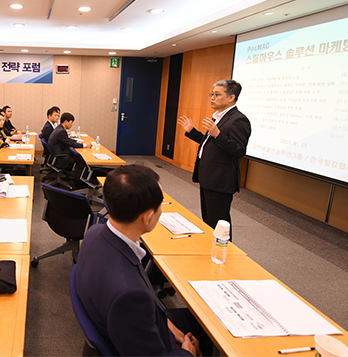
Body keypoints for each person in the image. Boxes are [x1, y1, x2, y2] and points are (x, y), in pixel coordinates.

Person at [76, 164, 209, 357]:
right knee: (210, 327)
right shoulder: (129, 296)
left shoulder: (95, 232)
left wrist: (169, 326)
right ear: (147, 217)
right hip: (133, 337)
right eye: (160, 206)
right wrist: (187, 353)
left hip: (130, 324)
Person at [177, 79, 251, 235]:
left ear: (231, 97)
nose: (212, 98)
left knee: (219, 222)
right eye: (212, 94)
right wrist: (192, 131)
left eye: (217, 94)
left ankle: (224, 254)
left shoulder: (238, 120)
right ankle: (209, 251)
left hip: (221, 180)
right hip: (209, 177)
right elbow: (209, 143)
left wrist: (218, 134)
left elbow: (239, 150)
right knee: (209, 220)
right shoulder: (218, 117)